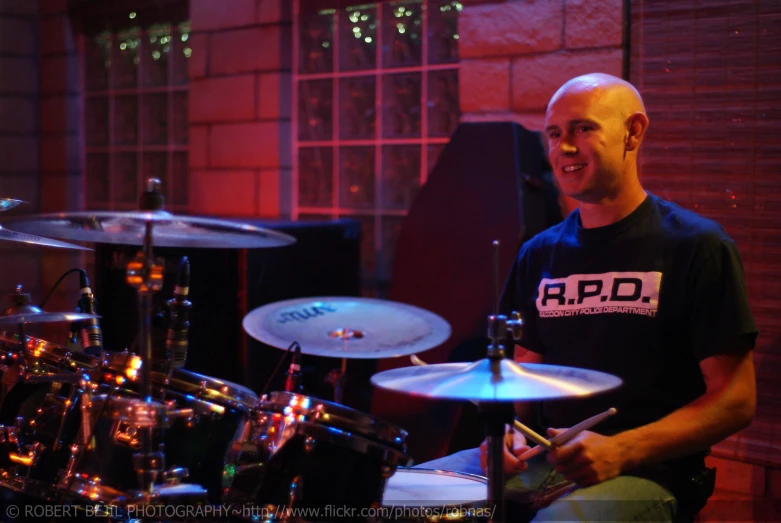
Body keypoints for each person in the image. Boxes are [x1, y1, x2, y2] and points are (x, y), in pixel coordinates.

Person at [418, 73, 757, 522]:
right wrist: (501, 434)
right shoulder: (540, 252)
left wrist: (622, 449)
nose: (564, 148)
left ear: (633, 132)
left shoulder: (697, 246)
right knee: (399, 499)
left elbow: (736, 399)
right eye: (555, 134)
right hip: (540, 463)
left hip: (648, 471)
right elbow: (523, 368)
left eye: (583, 129)